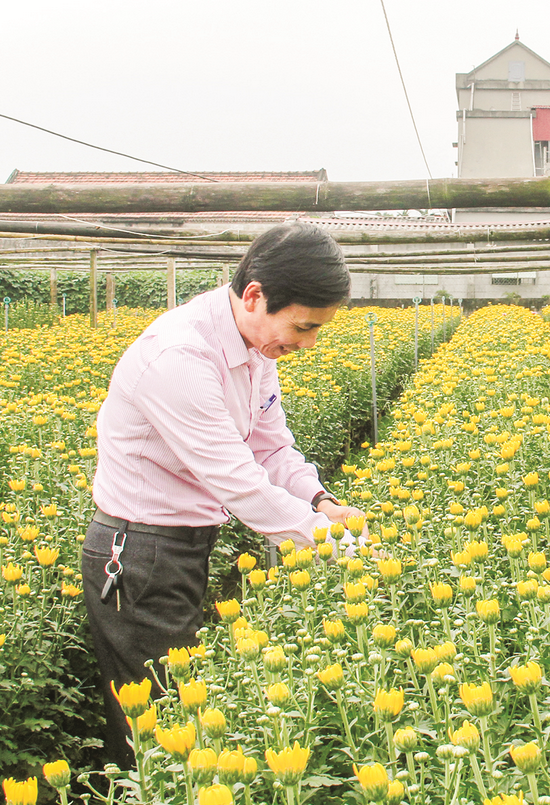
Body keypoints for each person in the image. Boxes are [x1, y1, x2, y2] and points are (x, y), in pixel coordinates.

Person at [82, 221, 354, 765]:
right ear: (254, 296)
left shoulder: (256, 349)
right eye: (303, 327)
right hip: (139, 555)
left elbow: (270, 448)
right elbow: (239, 482)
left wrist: (321, 502)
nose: (307, 344)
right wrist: (343, 548)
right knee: (159, 723)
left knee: (175, 711)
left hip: (180, 544)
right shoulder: (180, 356)